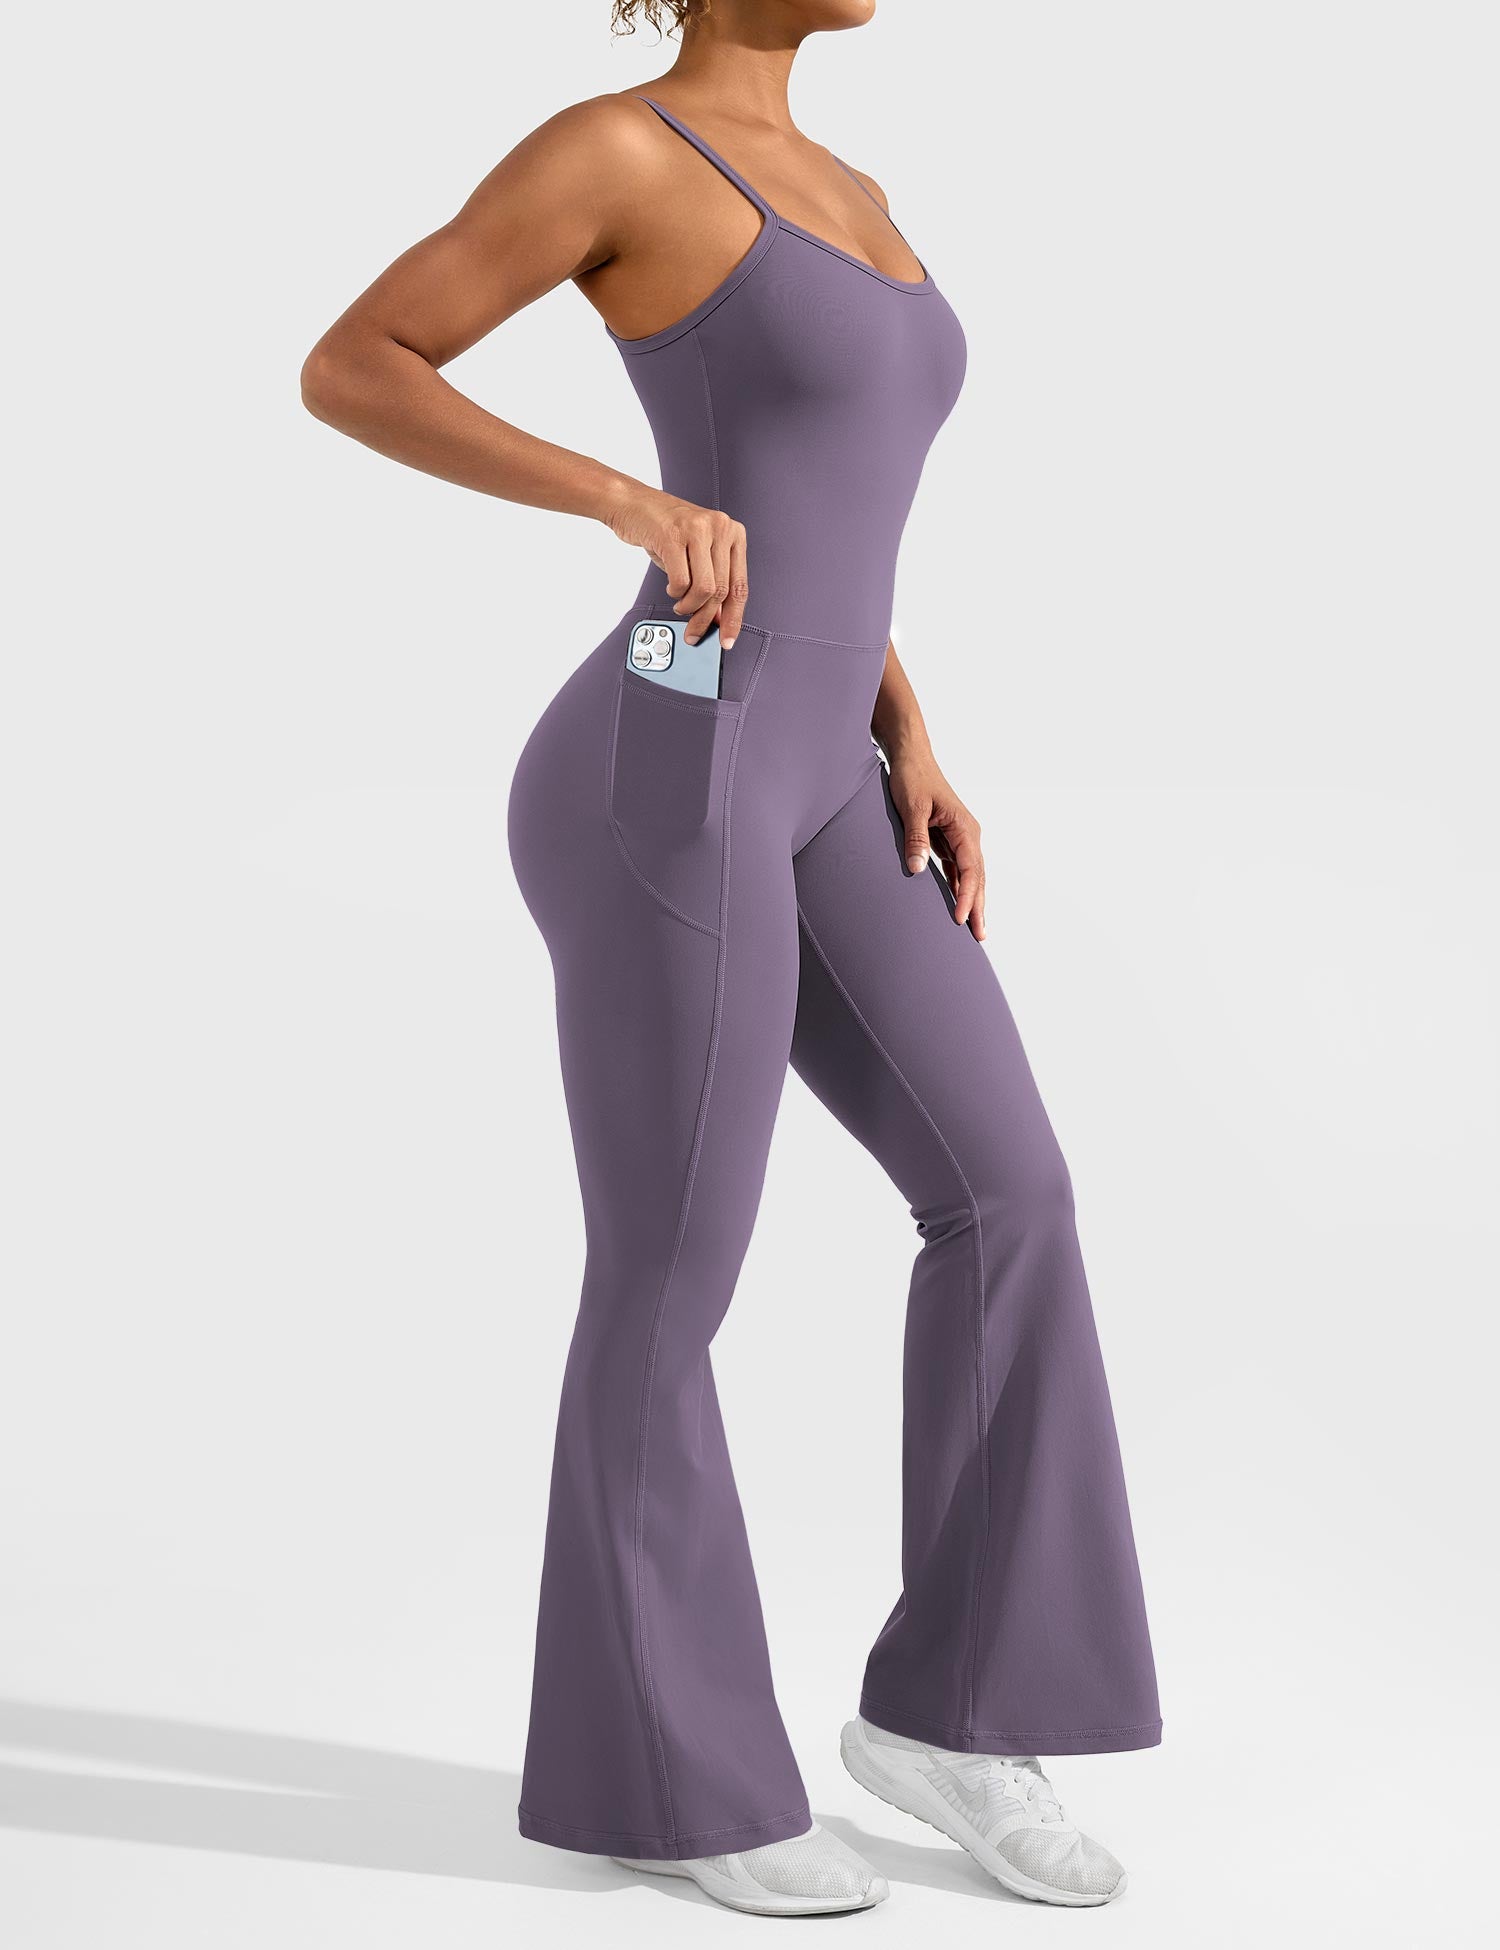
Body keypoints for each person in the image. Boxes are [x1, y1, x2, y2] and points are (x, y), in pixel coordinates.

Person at [301, 0, 1159, 1918]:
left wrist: (905, 718)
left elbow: (821, 502)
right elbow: (354, 361)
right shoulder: (618, 151)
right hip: (668, 752)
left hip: (829, 760)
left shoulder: (853, 187)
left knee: (1011, 1193)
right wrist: (620, 496)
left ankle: (959, 1711)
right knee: (671, 1270)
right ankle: (668, 1773)